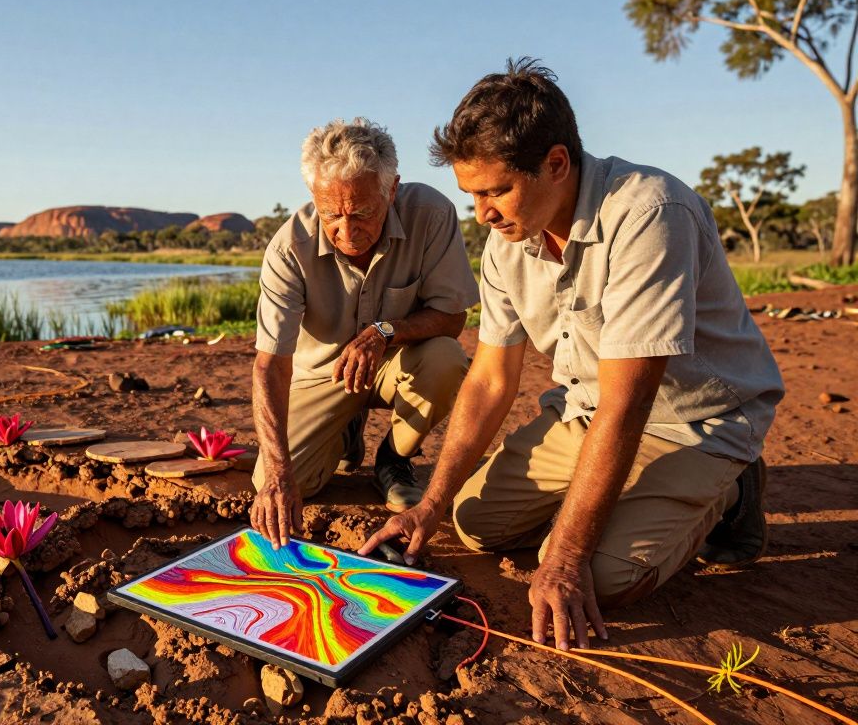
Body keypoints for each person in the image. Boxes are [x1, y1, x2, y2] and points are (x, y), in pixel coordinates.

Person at [360, 59, 784, 651]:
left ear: (556, 164)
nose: (481, 214)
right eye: (471, 195)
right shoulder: (507, 243)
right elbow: (488, 381)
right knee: (474, 524)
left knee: (602, 577)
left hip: (693, 423)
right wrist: (428, 506)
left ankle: (734, 493)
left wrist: (564, 553)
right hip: (587, 415)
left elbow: (629, 403)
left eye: (496, 191)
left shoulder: (649, 214)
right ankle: (627, 493)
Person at [250, 117, 479, 551]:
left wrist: (385, 331)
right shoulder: (288, 248)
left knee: (446, 357)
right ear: (313, 197)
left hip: (399, 359)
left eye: (362, 213)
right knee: (276, 480)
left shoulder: (430, 214)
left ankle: (394, 458)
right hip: (324, 376)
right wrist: (278, 474)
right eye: (331, 214)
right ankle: (345, 431)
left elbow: (453, 318)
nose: (346, 231)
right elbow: (270, 366)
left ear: (391, 191)